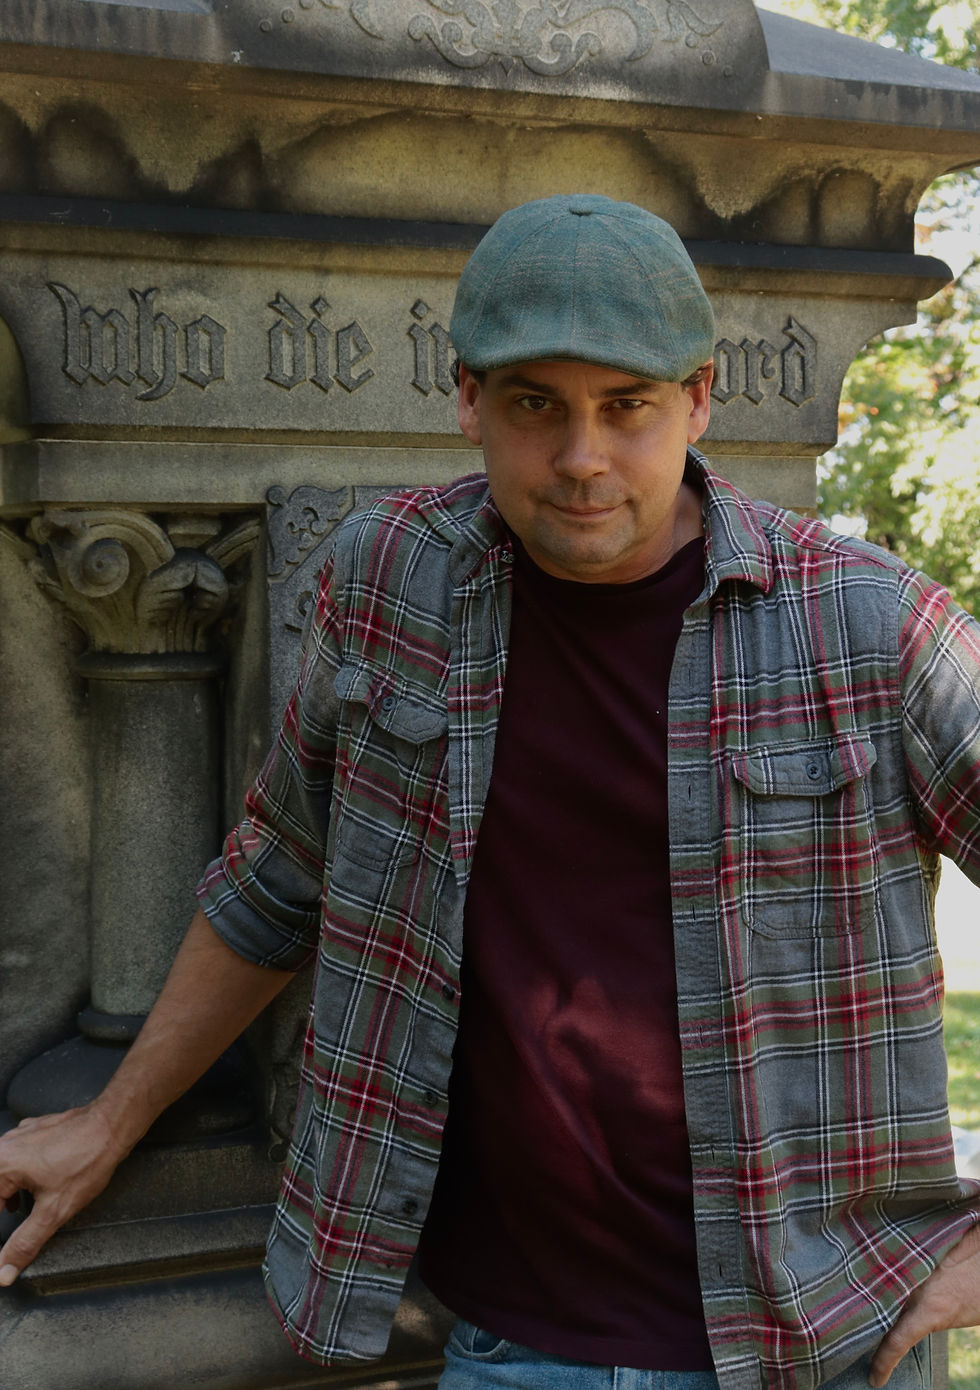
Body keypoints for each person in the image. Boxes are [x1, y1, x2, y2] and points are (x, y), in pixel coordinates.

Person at [2, 193, 980, 1390]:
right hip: (516, 1348)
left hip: (817, 1346)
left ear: (700, 397)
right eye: (535, 405)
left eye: (625, 407)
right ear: (466, 396)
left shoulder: (867, 626)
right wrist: (109, 1121)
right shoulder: (390, 581)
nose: (580, 457)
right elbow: (279, 876)